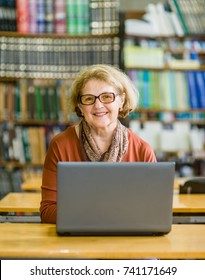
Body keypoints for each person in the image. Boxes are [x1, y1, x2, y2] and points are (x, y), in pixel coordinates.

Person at [40, 64, 156, 224]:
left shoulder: (142, 150)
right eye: (88, 99)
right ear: (80, 106)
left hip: (127, 239)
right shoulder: (60, 145)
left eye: (107, 97)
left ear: (121, 101)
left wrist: (88, 212)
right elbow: (48, 211)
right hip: (76, 240)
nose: (98, 105)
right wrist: (111, 214)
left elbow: (153, 211)